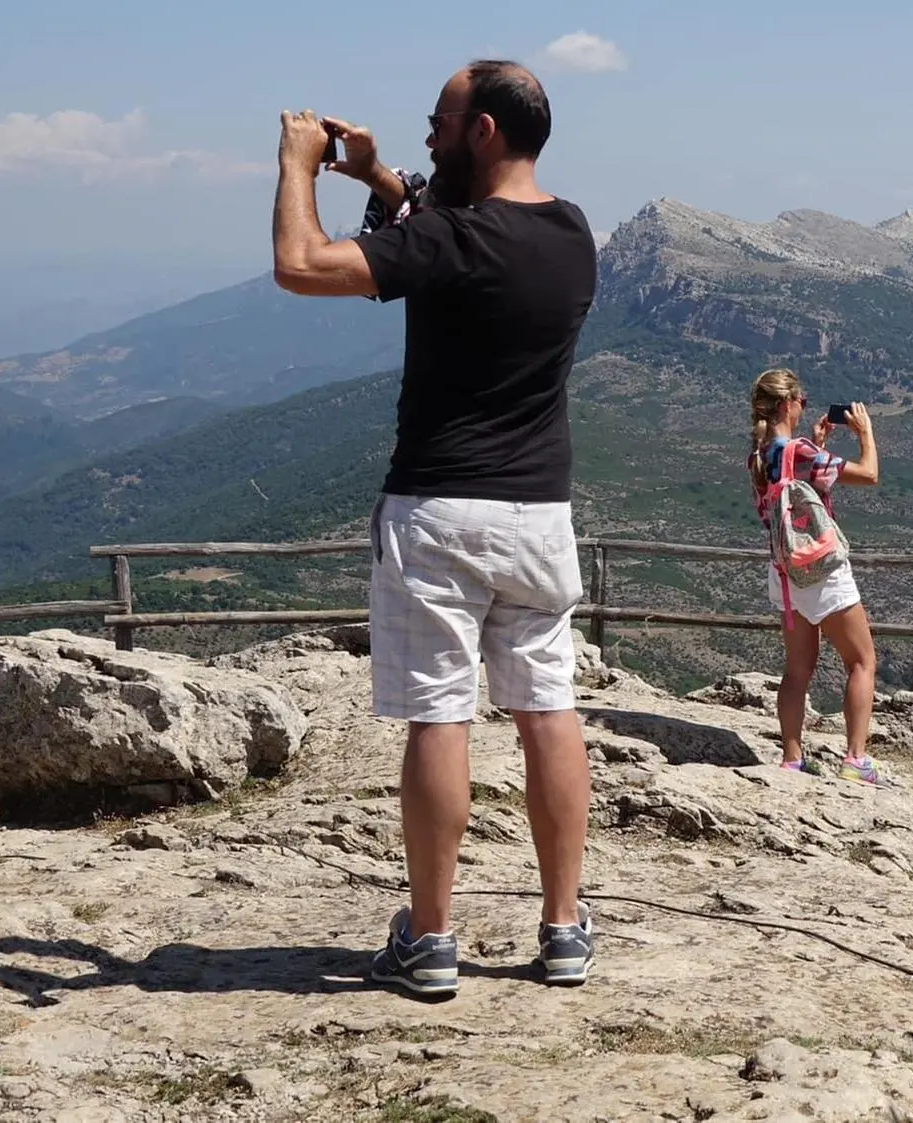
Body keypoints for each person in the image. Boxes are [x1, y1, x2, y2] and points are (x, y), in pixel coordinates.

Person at [270, 60, 599, 998]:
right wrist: (375, 179)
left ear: (484, 131)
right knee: (548, 710)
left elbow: (302, 265)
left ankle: (432, 938)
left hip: (439, 513)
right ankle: (565, 926)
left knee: (440, 714)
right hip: (540, 514)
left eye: (439, 123)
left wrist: (300, 164)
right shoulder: (572, 233)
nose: (427, 139)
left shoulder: (451, 241)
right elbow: (443, 218)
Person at [747, 370, 891, 787]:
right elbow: (869, 474)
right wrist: (866, 433)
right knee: (862, 661)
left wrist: (819, 445)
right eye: (802, 400)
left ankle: (792, 758)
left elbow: (791, 497)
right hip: (823, 572)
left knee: (797, 670)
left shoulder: (759, 456)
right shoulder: (801, 452)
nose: (804, 406)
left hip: (786, 575)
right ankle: (856, 759)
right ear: (789, 403)